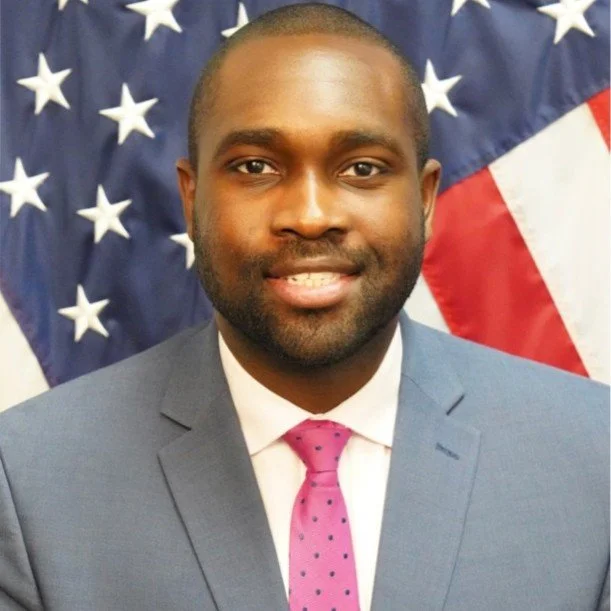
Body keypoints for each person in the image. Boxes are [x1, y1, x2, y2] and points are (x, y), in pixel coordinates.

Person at [0, 3, 608, 610]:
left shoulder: (594, 454)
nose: (311, 216)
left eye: (362, 168)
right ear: (192, 198)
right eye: (256, 167)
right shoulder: (28, 480)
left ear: (424, 200)